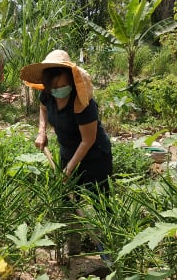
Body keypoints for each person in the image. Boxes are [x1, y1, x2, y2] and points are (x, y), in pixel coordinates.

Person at [20, 49, 112, 254]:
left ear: (71, 80)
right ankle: (73, 243)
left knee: (100, 199)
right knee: (67, 199)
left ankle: (111, 242)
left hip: (95, 155)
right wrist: (41, 132)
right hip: (67, 150)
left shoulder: (83, 102)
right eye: (55, 87)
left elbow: (88, 140)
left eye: (63, 86)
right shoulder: (48, 94)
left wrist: (68, 171)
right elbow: (43, 110)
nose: (59, 90)